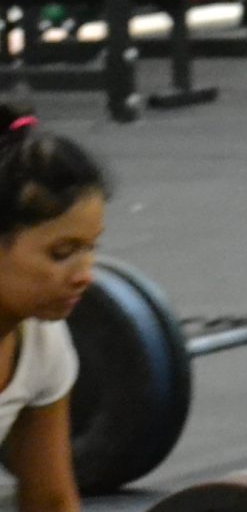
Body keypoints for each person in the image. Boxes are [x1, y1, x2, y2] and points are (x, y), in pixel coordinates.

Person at [0, 109, 100, 512]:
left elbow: (51, 501)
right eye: (62, 253)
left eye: (90, 247)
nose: (85, 275)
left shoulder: (41, 341)